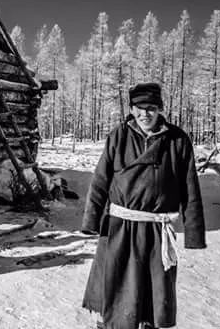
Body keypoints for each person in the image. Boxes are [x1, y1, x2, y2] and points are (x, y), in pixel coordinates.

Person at [81, 82, 206, 329]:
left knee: (153, 291)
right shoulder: (119, 135)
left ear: (160, 109)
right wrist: (91, 221)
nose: (144, 114)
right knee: (117, 288)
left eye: (150, 108)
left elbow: (190, 189)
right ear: (131, 108)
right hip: (120, 227)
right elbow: (100, 181)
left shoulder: (177, 140)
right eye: (138, 108)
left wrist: (194, 233)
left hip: (156, 231)